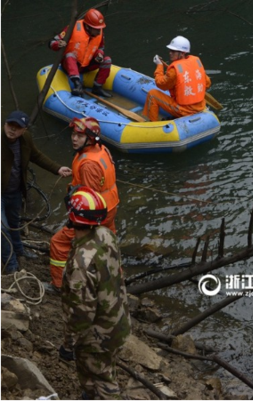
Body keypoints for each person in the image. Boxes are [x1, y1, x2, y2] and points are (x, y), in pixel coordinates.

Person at [58, 186, 130, 400]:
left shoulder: (82, 261)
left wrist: (68, 343)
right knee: (102, 370)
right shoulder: (106, 235)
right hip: (118, 320)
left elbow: (81, 313)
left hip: (97, 336)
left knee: (103, 380)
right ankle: (89, 395)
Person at [49, 117, 119, 290]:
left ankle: (58, 284)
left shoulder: (88, 165)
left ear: (90, 138)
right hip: (110, 207)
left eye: (79, 136)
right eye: (73, 134)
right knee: (108, 246)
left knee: (58, 243)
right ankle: (115, 280)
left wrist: (75, 222)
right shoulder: (101, 149)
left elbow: (89, 200)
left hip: (95, 214)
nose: (74, 138)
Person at [1, 111, 72, 273]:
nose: (12, 130)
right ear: (5, 124)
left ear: (24, 130)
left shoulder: (26, 140)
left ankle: (20, 251)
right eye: (10, 125)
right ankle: (11, 265)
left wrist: (58, 168)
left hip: (16, 191)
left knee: (14, 224)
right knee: (2, 229)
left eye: (17, 127)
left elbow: (37, 156)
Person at [142, 35, 212, 121]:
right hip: (200, 106)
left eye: (173, 51)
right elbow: (207, 83)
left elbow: (160, 84)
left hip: (185, 110)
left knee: (152, 94)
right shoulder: (196, 62)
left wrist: (159, 65)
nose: (170, 53)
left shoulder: (174, 71)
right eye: (170, 50)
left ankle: (152, 124)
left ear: (182, 53)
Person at [49, 8, 112, 98]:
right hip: (71, 65)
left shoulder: (99, 32)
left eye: (100, 28)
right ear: (88, 27)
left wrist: (99, 54)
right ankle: (77, 85)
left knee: (107, 60)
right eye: (97, 29)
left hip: (87, 64)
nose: (99, 31)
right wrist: (58, 44)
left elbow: (101, 47)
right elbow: (52, 43)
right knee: (70, 55)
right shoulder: (72, 28)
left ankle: (97, 87)